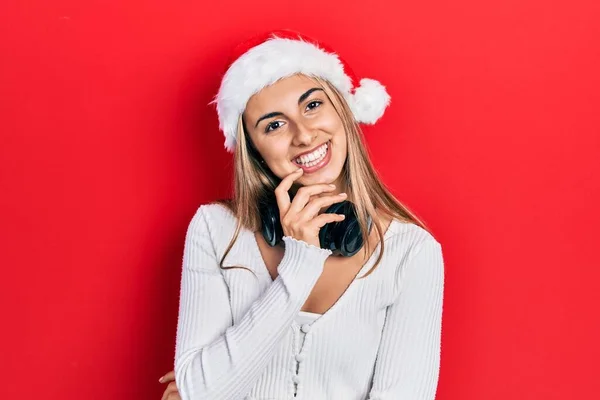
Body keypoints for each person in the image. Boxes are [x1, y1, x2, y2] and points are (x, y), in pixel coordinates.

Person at [159, 29, 445, 400]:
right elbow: (205, 392)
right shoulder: (216, 231)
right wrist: (300, 264)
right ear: (255, 149)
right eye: (274, 125)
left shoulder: (412, 252)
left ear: (343, 109)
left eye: (312, 105)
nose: (305, 135)